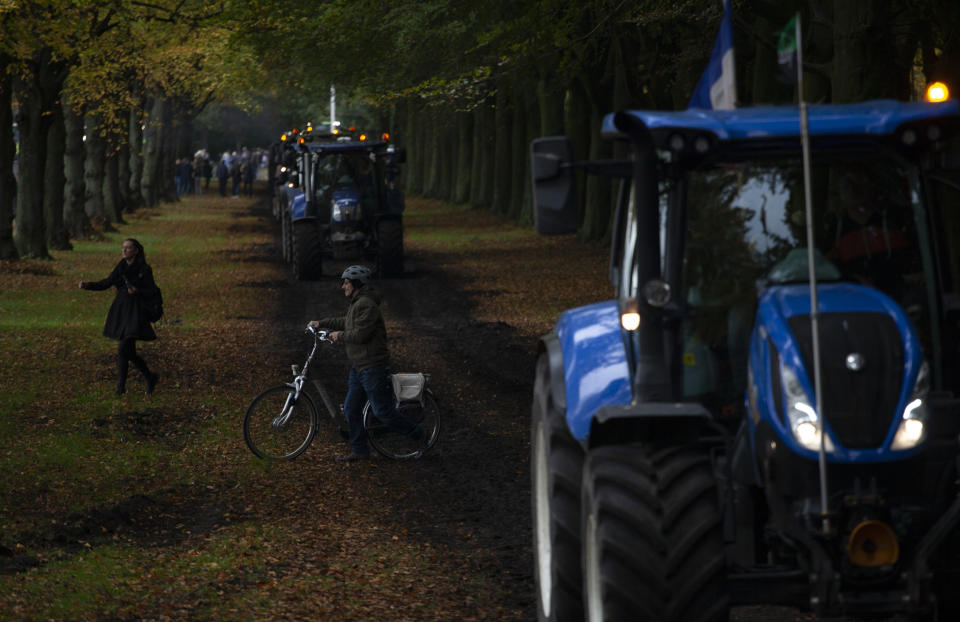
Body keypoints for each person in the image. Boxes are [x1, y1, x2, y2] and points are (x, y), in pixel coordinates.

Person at [309, 265, 424, 462]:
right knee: (351, 408)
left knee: (382, 411)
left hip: (372, 366)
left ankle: (418, 434)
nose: (343, 286)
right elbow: (347, 321)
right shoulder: (358, 303)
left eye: (346, 282)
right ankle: (360, 450)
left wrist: (338, 336)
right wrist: (322, 323)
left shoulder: (367, 305)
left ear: (356, 284)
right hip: (359, 366)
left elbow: (360, 334)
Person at [79, 238, 159, 396]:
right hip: (121, 311)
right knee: (128, 351)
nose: (124, 251)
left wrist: (137, 290)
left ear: (136, 250)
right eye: (123, 247)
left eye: (128, 248)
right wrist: (88, 285)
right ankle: (148, 378)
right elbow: (107, 282)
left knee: (124, 348)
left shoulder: (144, 269)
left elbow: (152, 291)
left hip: (136, 312)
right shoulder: (121, 266)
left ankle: (121, 388)